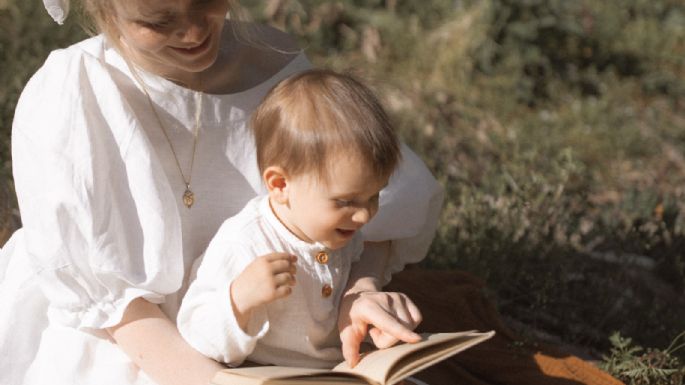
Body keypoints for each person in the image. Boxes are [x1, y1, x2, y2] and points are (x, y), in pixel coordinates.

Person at [0, 1, 443, 385]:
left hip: (285, 332)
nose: (193, 31)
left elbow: (369, 206)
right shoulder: (75, 98)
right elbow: (115, 308)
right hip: (141, 340)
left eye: (206, 1)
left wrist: (356, 294)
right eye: (157, 20)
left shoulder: (275, 67)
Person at [177, 69, 422, 369]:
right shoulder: (245, 243)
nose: (364, 214)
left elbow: (355, 270)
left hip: (335, 369)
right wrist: (239, 299)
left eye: (374, 197)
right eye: (345, 201)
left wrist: (365, 313)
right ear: (280, 185)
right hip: (267, 373)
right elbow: (195, 330)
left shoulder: (339, 230)